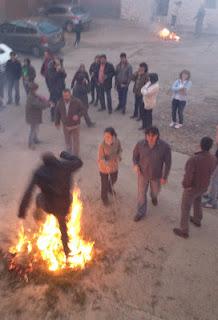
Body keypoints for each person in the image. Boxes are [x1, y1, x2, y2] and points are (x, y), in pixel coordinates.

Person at [18, 152, 83, 258]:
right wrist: (66, 155)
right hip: (65, 205)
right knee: (62, 224)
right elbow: (79, 162)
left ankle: (38, 217)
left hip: (50, 206)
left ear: (44, 162)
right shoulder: (65, 166)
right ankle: (66, 250)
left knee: (38, 198)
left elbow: (28, 192)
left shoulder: (39, 172)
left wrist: (22, 210)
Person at [173, 137, 216, 238]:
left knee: (185, 207)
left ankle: (184, 230)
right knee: (198, 201)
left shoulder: (194, 159)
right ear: (210, 147)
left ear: (200, 145)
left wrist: (186, 185)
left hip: (192, 188)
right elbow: (212, 171)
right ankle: (197, 219)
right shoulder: (213, 158)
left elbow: (189, 175)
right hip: (204, 186)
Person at [133, 126, 172, 222]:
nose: (150, 138)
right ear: (145, 136)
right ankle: (140, 212)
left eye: (153, 136)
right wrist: (135, 165)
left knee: (155, 192)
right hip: (142, 174)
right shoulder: (140, 144)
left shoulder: (165, 147)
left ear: (157, 136)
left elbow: (168, 163)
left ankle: (154, 197)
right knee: (141, 194)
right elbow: (135, 157)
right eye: (148, 135)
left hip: (156, 176)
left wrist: (165, 177)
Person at [55, 89, 85, 156]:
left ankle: (75, 155)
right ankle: (69, 153)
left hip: (75, 125)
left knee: (76, 141)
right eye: (64, 96)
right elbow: (57, 113)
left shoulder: (77, 101)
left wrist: (78, 116)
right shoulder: (60, 102)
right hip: (66, 125)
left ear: (70, 95)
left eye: (67, 96)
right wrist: (57, 122)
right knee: (67, 141)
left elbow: (83, 110)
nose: (65, 98)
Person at [98, 127, 122, 206]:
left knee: (114, 179)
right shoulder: (102, 146)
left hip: (114, 166)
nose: (106, 138)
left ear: (113, 136)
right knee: (104, 184)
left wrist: (119, 156)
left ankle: (109, 187)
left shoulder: (117, 142)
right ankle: (104, 197)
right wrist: (105, 163)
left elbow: (120, 150)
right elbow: (100, 158)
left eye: (108, 137)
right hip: (104, 168)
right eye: (105, 137)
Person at [25, 83, 50, 150]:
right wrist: (47, 104)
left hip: (35, 115)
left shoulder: (34, 95)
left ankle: (35, 139)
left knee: (36, 128)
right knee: (32, 129)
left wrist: (43, 99)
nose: (36, 90)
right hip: (32, 116)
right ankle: (30, 143)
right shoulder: (31, 97)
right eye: (36, 89)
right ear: (33, 89)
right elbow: (38, 105)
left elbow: (39, 100)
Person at [47, 57, 66, 122]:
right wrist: (57, 72)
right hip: (53, 89)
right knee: (53, 103)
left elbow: (65, 76)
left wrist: (62, 71)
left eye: (59, 64)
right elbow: (52, 78)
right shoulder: (50, 69)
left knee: (60, 103)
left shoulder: (60, 67)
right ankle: (52, 116)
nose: (58, 65)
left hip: (61, 88)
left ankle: (59, 115)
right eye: (57, 64)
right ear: (54, 64)